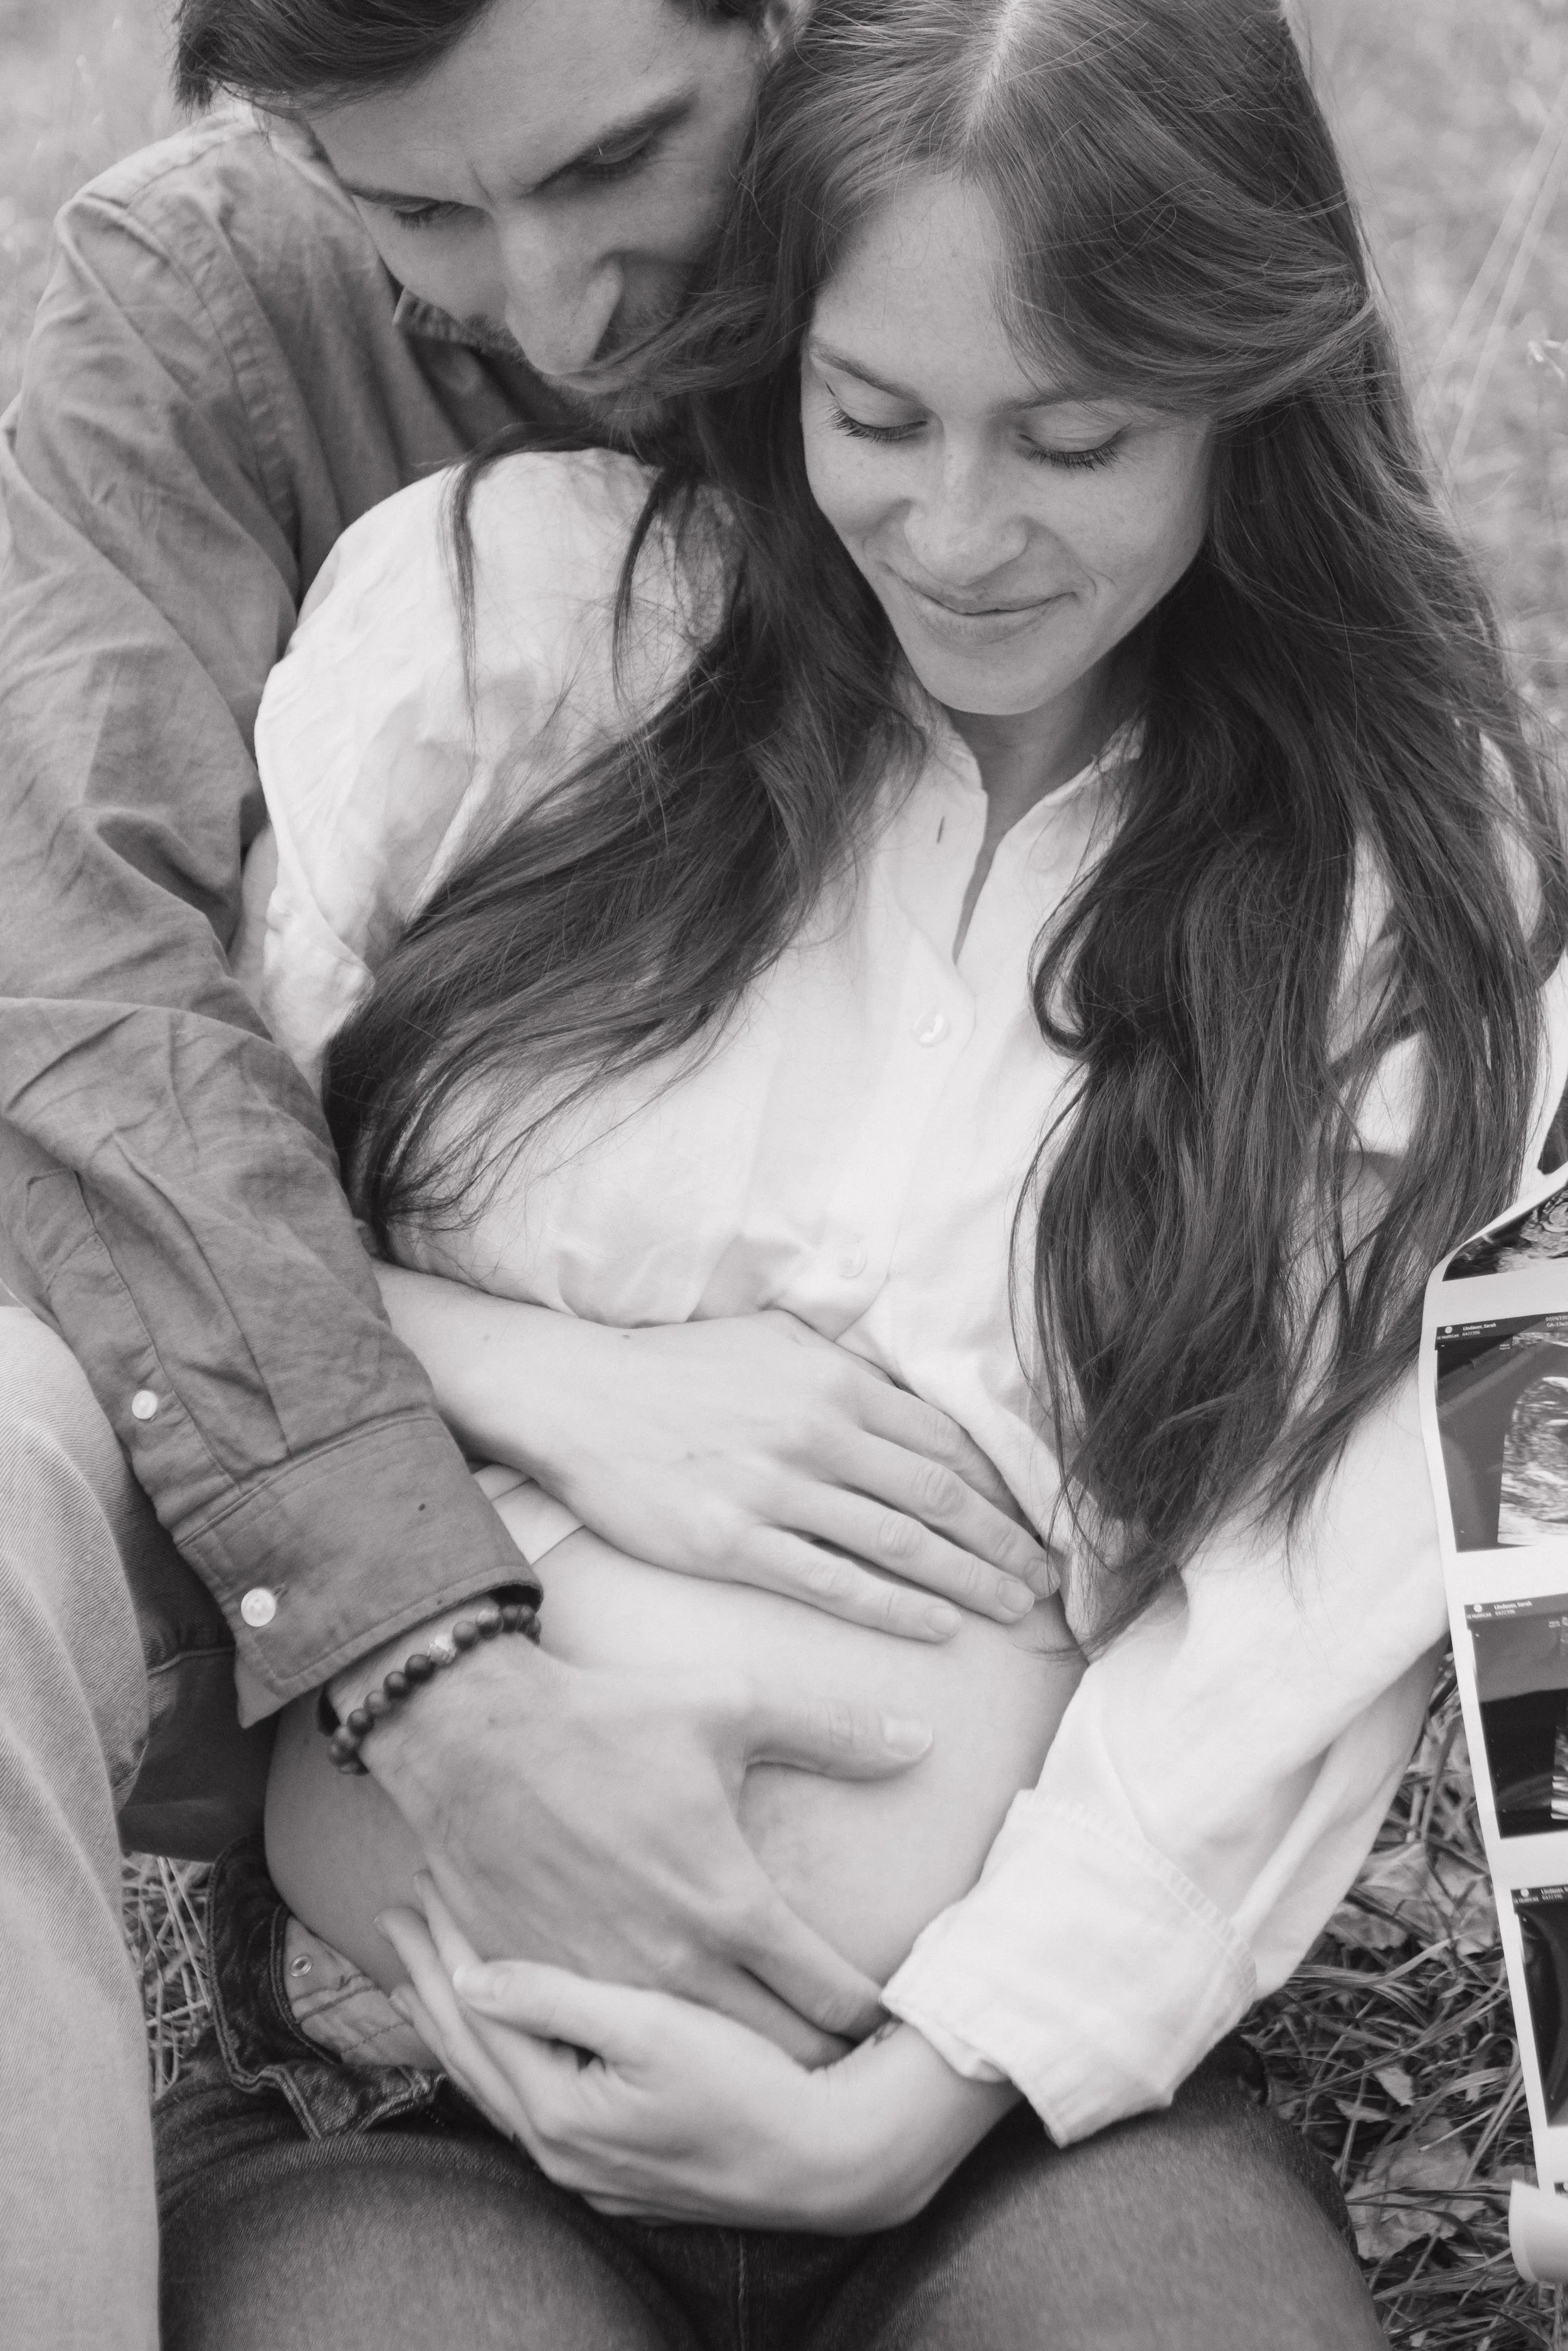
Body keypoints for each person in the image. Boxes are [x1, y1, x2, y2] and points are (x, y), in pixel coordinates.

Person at [149, 0, 1568, 2341]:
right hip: (417, 2094)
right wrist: (505, 1362)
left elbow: (1294, 1624)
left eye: (1076, 437)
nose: (955, 526)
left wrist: (915, 2093)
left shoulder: (1380, 905)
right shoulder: (501, 640)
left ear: (1243, 395)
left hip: (1001, 2127)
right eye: (873, 414)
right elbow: (196, 1230)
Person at [0, 2, 1056, 2338]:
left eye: (620, 163)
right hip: (317, 1554)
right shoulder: (192, 313)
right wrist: (451, 1569)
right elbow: (76, 1006)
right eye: (416, 213)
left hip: (983, 1943)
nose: (564, 305)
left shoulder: (1022, 163)